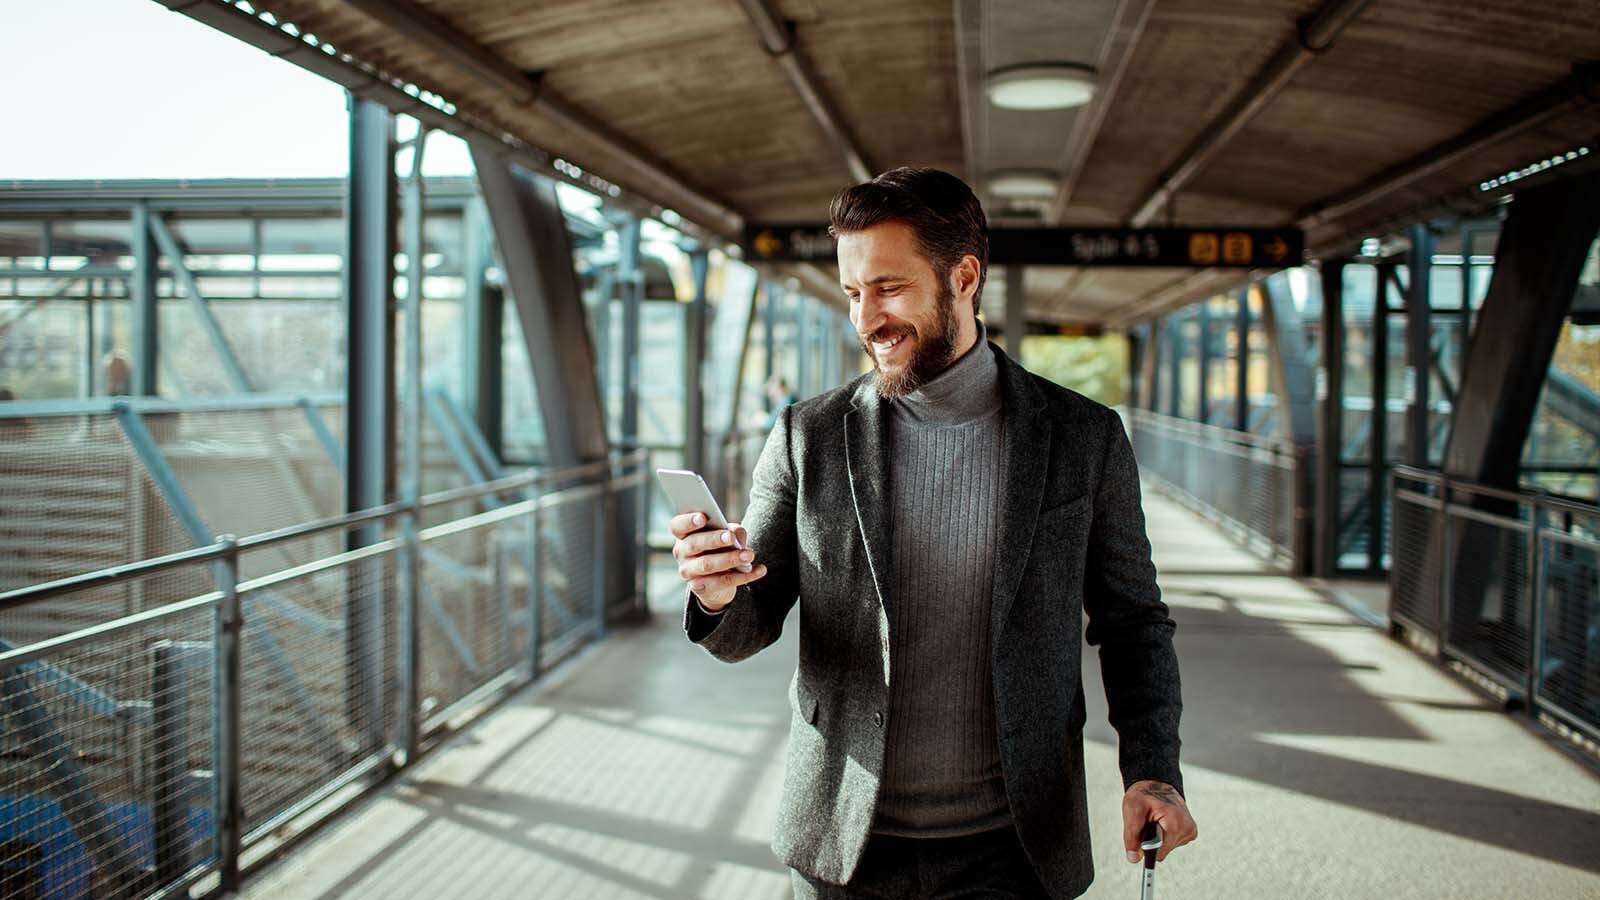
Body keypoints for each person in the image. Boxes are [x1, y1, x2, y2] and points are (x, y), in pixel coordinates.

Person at [671, 168, 1195, 899]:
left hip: (1014, 852)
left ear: (964, 277)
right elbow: (750, 625)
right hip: (842, 847)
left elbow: (1133, 621)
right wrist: (717, 592)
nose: (865, 319)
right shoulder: (807, 436)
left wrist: (1153, 769)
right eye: (853, 293)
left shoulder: (1084, 438)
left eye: (888, 288)